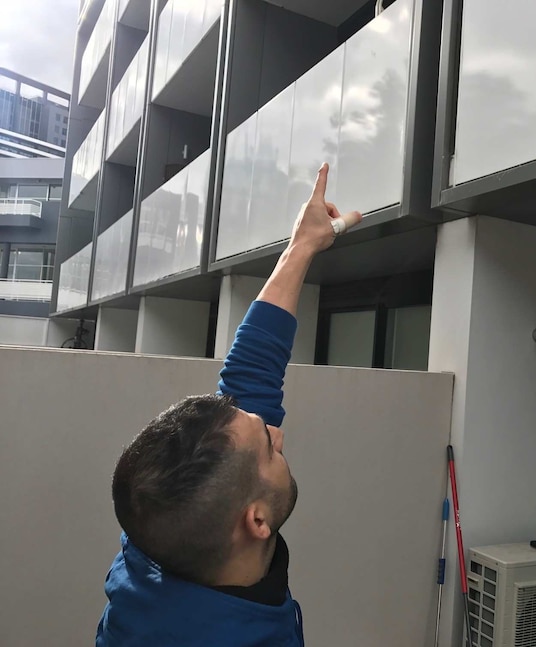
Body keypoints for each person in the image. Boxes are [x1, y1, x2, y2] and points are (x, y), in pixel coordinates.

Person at [96, 164, 360, 646]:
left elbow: (250, 376)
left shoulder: (156, 545)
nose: (277, 434)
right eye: (267, 448)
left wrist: (302, 245)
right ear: (256, 520)